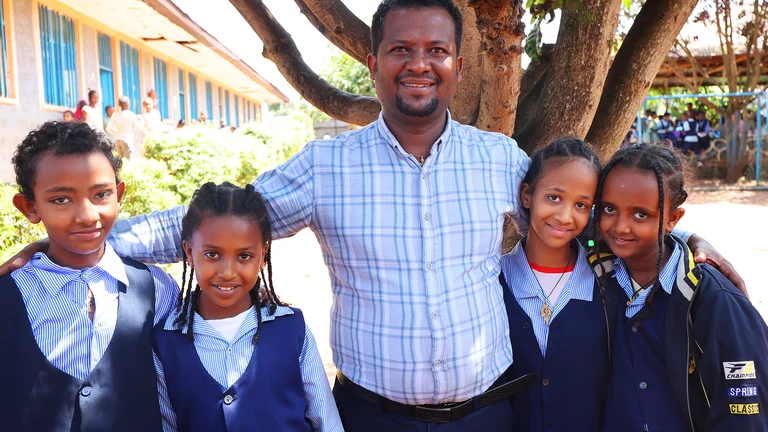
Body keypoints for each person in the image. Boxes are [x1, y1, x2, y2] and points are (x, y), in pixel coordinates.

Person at [0, 0, 744, 430]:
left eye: (436, 50)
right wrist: (78, 239)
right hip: (374, 417)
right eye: (400, 49)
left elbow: (580, 214)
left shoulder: (499, 162)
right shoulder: (327, 168)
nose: (418, 63)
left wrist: (683, 243)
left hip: (491, 414)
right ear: (375, 61)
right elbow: (216, 221)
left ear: (456, 62)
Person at [0, 121, 179, 431]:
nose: (86, 215)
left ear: (119, 194)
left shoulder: (156, 289)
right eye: (61, 200)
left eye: (101, 195)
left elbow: (171, 393)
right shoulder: (6, 296)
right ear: (29, 207)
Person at [592, 144, 768, 431]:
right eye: (609, 209)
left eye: (640, 215)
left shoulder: (713, 300)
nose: (620, 226)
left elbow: (745, 415)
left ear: (673, 219)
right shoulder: (600, 276)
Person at [153, 182, 342, 431]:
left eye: (244, 256)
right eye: (212, 254)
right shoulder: (165, 341)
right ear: (189, 251)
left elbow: (326, 421)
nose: (227, 272)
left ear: (263, 255)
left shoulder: (292, 330)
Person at [499, 137, 618, 432]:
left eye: (581, 204)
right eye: (554, 197)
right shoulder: (494, 280)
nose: (565, 216)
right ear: (527, 195)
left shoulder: (607, 281)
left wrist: (691, 238)